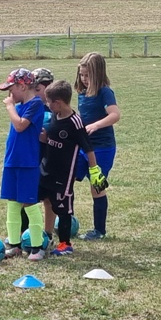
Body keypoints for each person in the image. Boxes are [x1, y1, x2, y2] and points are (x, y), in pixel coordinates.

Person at [39, 80, 108, 256]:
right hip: (46, 170)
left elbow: (88, 148)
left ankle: (65, 244)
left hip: (63, 175)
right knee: (31, 200)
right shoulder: (54, 115)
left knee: (63, 209)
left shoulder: (75, 122)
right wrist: (46, 140)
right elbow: (54, 138)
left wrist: (94, 171)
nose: (47, 104)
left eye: (49, 102)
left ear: (58, 103)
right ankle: (38, 237)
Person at [0, 68, 47, 261]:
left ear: (23, 86)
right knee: (12, 203)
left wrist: (10, 107)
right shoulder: (19, 105)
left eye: (12, 90)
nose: (10, 95)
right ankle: (14, 244)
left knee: (29, 203)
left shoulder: (35, 104)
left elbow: (20, 125)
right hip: (12, 161)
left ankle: (37, 247)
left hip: (27, 162)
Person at [73, 52, 121, 240]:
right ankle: (65, 222)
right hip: (83, 147)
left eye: (88, 75)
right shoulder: (82, 93)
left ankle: (99, 231)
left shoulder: (105, 92)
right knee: (67, 179)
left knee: (97, 187)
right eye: (81, 75)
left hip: (102, 147)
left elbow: (115, 115)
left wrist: (96, 125)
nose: (84, 79)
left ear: (98, 74)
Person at [32, 67, 55, 242]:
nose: (34, 93)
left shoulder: (55, 109)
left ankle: (48, 233)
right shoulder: (31, 107)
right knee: (29, 197)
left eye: (37, 89)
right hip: (32, 156)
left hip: (50, 157)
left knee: (49, 198)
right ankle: (27, 233)